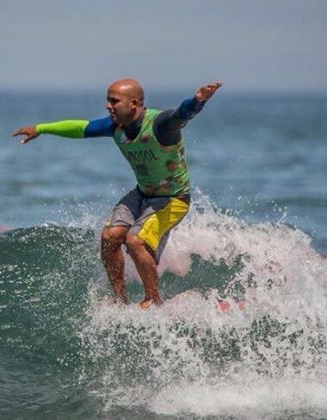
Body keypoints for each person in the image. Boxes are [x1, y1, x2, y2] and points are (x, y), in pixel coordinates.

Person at [12, 78, 222, 308]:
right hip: (142, 194)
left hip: (173, 199)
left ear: (134, 103)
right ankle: (120, 299)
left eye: (114, 101)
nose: (107, 106)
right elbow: (81, 128)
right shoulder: (116, 127)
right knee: (109, 237)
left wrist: (198, 101)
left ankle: (153, 300)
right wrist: (40, 129)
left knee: (135, 240)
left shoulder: (159, 125)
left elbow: (180, 115)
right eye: (107, 100)